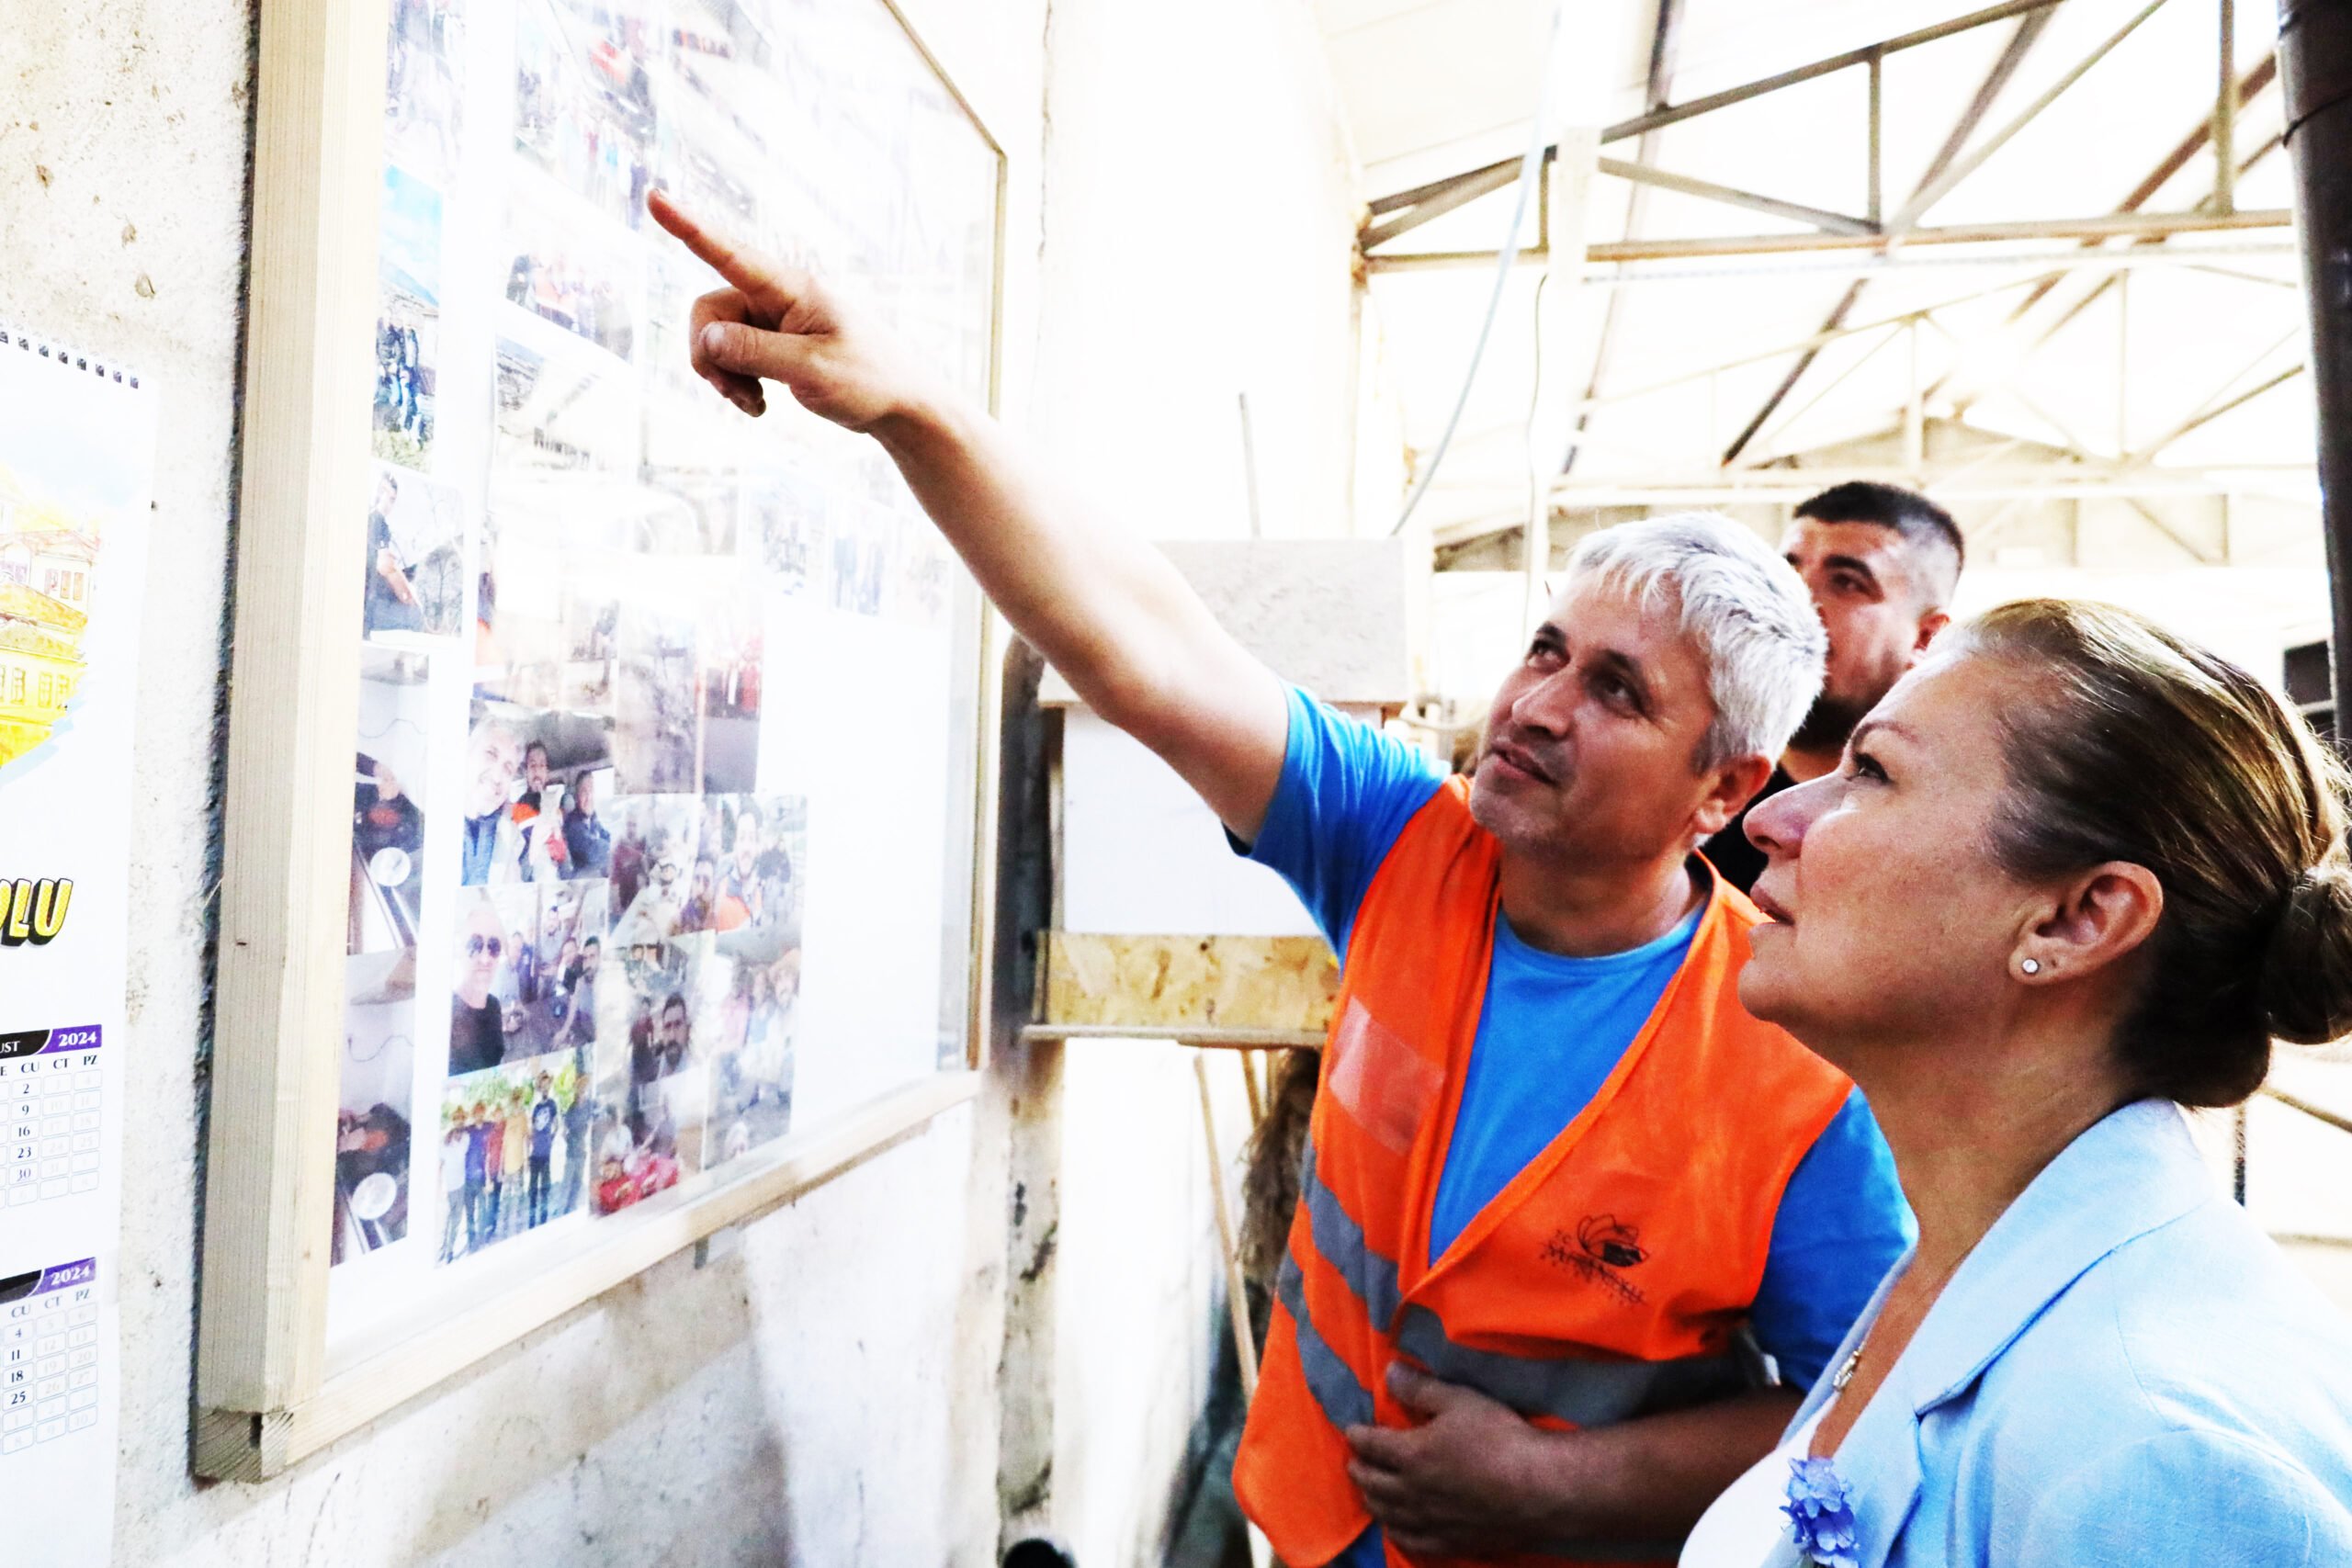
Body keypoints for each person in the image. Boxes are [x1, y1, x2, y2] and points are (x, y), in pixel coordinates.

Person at [648, 189, 1913, 1564]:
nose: (1538, 706)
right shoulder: (1401, 842)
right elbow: (1146, 642)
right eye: (1546, 649)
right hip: (1307, 1524)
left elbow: (1867, 1401)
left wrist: (1568, 1484)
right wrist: (914, 405)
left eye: (1616, 690)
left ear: (1724, 787)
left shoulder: (1800, 1070)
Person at [1682, 599, 2352, 1567]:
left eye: (1872, 773)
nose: (1772, 818)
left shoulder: (2157, 1452)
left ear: (2076, 919)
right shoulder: (1966, 1251)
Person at [1701, 482, 1962, 894]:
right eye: (1787, 573)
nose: (1797, 602)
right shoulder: (1697, 787)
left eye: (1847, 582)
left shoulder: (1954, 825)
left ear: (1925, 636)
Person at [459, 717, 524, 885]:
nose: (497, 777)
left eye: (508, 769)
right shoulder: (425, 816)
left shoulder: (513, 839)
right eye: (490, 754)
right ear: (467, 753)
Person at [449, 897, 508, 1076]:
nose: (485, 959)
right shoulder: (446, 1012)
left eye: (493, 947)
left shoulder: (494, 1006)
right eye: (475, 945)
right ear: (459, 951)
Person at [364, 471, 424, 635]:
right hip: (367, 606)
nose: (385, 501)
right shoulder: (376, 521)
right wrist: (411, 601)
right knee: (415, 618)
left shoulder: (378, 524)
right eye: (382, 492)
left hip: (369, 602)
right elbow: (386, 567)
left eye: (391, 499)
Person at [563, 768, 612, 878]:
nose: (589, 797)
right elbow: (591, 851)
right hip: (580, 882)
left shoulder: (592, 818)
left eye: (591, 791)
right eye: (584, 792)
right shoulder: (572, 824)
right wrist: (614, 849)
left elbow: (606, 835)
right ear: (577, 797)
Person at [526, 1075, 558, 1228]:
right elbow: (531, 1127)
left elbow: (556, 1124)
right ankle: (531, 1220)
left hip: (546, 1153)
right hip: (535, 1153)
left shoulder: (552, 1104)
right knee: (532, 1188)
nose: (545, 1088)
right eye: (542, 1085)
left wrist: (551, 1138)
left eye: (547, 1085)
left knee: (545, 1187)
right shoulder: (536, 1106)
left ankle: (543, 1219)